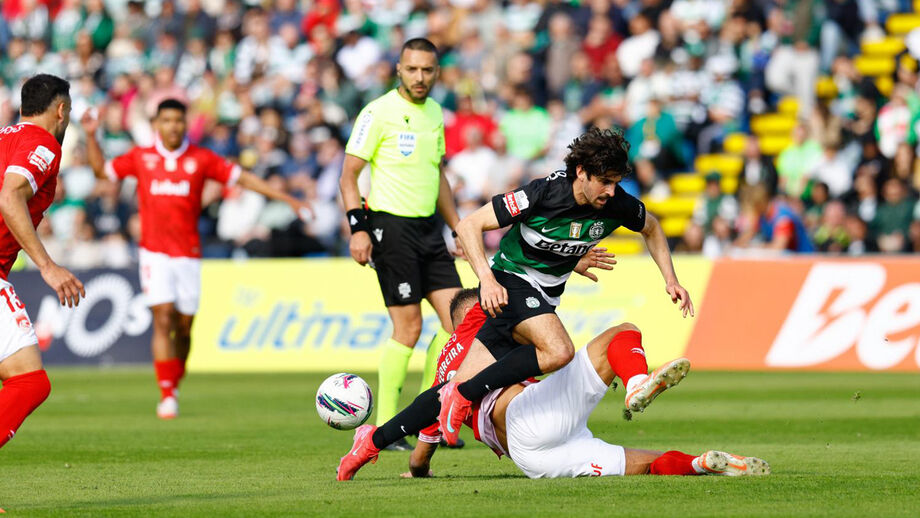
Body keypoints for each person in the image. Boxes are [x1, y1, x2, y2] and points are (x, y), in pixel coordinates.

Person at [437, 127, 694, 446]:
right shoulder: (543, 192)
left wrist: (671, 280)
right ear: (582, 172)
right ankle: (463, 394)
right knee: (559, 351)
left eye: (616, 182)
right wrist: (486, 280)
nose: (612, 191)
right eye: (605, 181)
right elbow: (468, 225)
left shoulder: (615, 203)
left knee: (454, 385)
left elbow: (652, 228)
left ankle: (381, 442)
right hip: (510, 277)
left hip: (544, 295)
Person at [339, 290, 767, 480]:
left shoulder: (444, 372)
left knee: (646, 463)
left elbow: (419, 456)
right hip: (530, 416)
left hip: (532, 459)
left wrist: (389, 453)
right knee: (622, 332)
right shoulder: (484, 318)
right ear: (477, 308)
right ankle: (636, 380)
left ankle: (698, 465)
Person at [81, 99, 310, 419]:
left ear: (185, 124)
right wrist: (91, 135)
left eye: (178, 120)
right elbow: (101, 170)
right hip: (154, 252)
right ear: (157, 124)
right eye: (167, 120)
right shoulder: (142, 157)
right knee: (162, 318)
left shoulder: (200, 158)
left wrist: (286, 198)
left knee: (185, 327)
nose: (173, 126)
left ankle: (175, 380)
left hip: (188, 254)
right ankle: (167, 393)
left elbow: (242, 178)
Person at [339, 38, 463, 450]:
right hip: (390, 229)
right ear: (398, 69)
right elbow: (349, 175)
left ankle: (430, 415)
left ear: (436, 72)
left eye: (427, 70)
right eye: (412, 69)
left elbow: (438, 174)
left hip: (429, 230)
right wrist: (358, 228)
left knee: (458, 324)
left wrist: (457, 226)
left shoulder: (435, 113)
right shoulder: (377, 112)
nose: (420, 77)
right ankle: (388, 426)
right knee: (408, 328)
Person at [0, 74, 84, 449]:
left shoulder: (5, 138)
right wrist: (48, 266)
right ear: (61, 110)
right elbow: (10, 196)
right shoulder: (43, 143)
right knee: (29, 381)